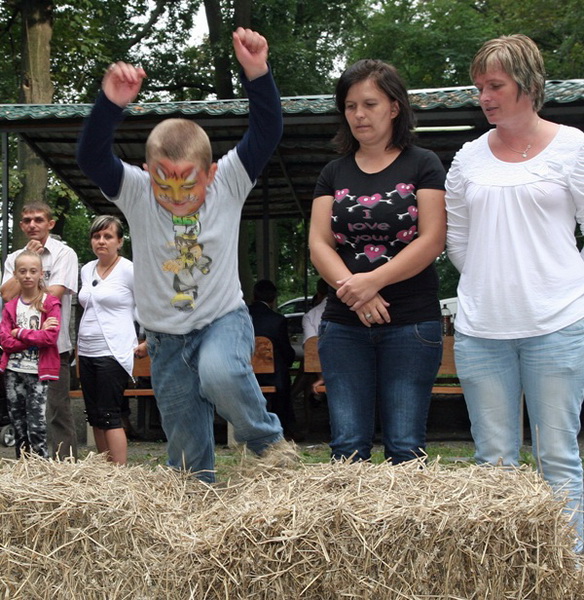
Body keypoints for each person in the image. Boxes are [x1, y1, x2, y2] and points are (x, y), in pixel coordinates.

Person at [77, 28, 291, 482]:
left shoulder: (230, 180)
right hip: (165, 340)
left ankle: (269, 445)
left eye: (188, 185)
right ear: (145, 172)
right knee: (188, 456)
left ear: (210, 173)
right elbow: (92, 158)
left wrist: (257, 74)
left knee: (221, 373)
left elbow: (267, 131)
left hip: (221, 321)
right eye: (164, 184)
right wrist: (110, 104)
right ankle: (197, 498)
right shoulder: (137, 192)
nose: (176, 197)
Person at [445, 34, 584, 551]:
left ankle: (570, 572)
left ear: (528, 84)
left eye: (495, 85)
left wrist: (556, 284)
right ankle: (507, 574)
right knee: (494, 463)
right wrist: (495, 280)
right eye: (480, 86)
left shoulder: (574, 147)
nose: (484, 96)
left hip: (559, 326)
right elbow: (457, 240)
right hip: (481, 331)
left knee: (558, 459)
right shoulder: (467, 158)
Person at [309, 59, 446, 464]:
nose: (359, 115)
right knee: (347, 449)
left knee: (405, 447)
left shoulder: (424, 163)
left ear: (394, 107)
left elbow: (432, 239)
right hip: (344, 324)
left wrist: (373, 281)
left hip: (411, 323)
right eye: (350, 106)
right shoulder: (333, 172)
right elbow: (319, 244)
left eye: (369, 104)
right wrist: (357, 292)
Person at [1, 202, 79, 460]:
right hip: (18, 354)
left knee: (56, 412)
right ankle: (28, 469)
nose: (32, 225)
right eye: (27, 220)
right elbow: (6, 295)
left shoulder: (64, 254)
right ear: (21, 225)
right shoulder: (14, 257)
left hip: (52, 349)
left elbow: (53, 295)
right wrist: (29, 262)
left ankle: (65, 468)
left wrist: (24, 286)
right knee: (21, 414)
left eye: (38, 219)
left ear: (50, 224)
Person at [77, 215, 138, 465]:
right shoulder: (86, 269)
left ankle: (119, 473)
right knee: (94, 415)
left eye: (108, 236)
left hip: (113, 351)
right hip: (86, 350)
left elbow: (148, 306)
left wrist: (147, 341)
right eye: (96, 236)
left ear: (119, 242)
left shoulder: (129, 270)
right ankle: (103, 472)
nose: (101, 241)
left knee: (109, 414)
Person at [0, 250, 61, 458]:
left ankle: (41, 466)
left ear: (41, 274)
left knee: (37, 425)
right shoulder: (10, 307)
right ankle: (22, 467)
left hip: (37, 372)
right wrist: (36, 335)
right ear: (15, 274)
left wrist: (21, 333)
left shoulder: (50, 303)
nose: (28, 276)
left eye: (33, 271)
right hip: (13, 371)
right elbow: (5, 342)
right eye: (23, 271)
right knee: (18, 424)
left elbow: (50, 338)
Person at [248, 279, 296, 438]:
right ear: (273, 299)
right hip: (272, 377)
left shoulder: (241, 317)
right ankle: (285, 426)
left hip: (245, 373)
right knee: (281, 367)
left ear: (253, 296)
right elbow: (286, 351)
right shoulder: (278, 320)